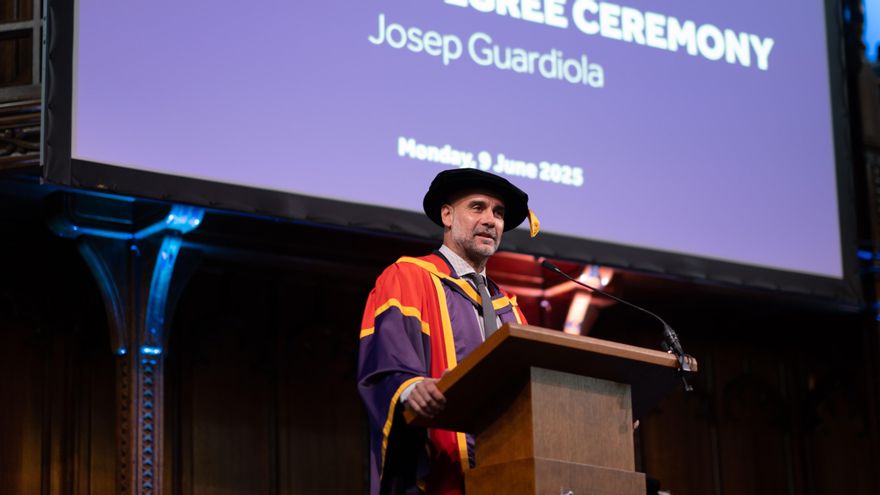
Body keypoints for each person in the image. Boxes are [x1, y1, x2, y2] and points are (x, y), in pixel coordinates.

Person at [357, 168, 538, 495]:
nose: (490, 220)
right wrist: (411, 388)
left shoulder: (511, 311)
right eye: (477, 207)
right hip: (441, 473)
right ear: (447, 215)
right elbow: (386, 358)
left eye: (498, 213)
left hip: (509, 478)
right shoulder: (408, 277)